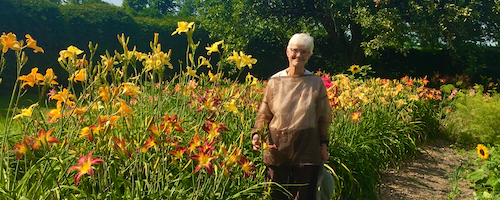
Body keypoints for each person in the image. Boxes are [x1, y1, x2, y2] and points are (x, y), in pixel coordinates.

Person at [251, 33, 332, 200]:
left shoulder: (315, 82)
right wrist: (257, 134)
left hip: (307, 146)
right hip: (277, 146)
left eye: (304, 52)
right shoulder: (275, 81)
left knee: (304, 195)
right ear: (287, 51)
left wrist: (323, 145)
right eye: (295, 50)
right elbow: (264, 114)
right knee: (275, 194)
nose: (298, 55)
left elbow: (323, 117)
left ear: (309, 55)